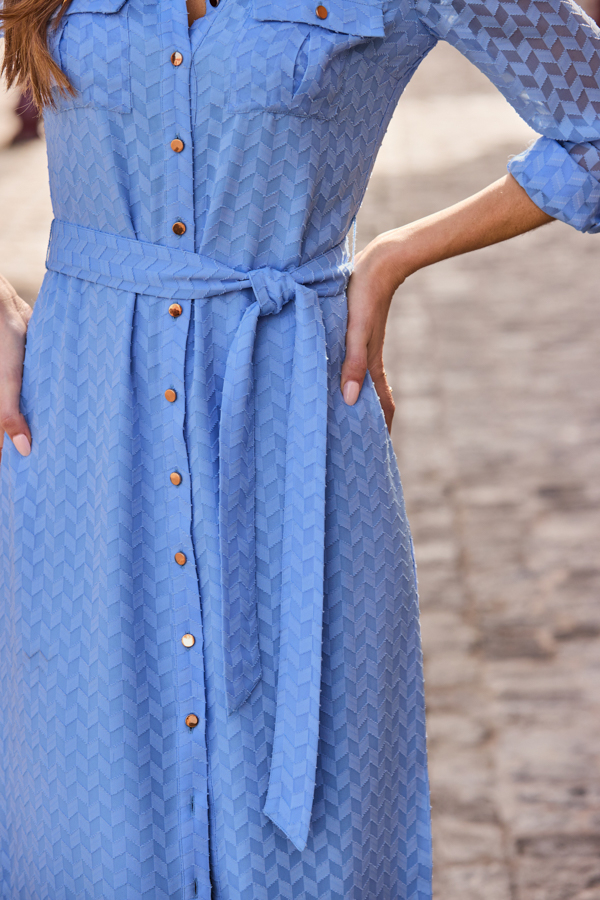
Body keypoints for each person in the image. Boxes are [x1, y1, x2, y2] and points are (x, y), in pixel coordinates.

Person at [0, 0, 598, 895]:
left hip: (292, 446)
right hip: (81, 449)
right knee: (90, 830)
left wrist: (398, 252)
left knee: (303, 846)